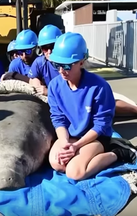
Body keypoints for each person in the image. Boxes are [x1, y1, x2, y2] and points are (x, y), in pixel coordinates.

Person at [47, 32, 137, 181]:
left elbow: (101, 125)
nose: (61, 71)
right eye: (57, 65)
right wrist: (65, 143)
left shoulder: (99, 87)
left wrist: (76, 147)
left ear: (81, 62)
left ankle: (117, 152)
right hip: (72, 136)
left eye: (67, 65)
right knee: (57, 164)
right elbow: (58, 118)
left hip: (96, 137)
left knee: (74, 173)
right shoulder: (54, 86)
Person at [28, 24, 62, 95]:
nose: (49, 52)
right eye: (45, 48)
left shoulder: (70, 65)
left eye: (52, 46)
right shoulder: (40, 62)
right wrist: (37, 84)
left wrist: (48, 92)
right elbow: (31, 80)